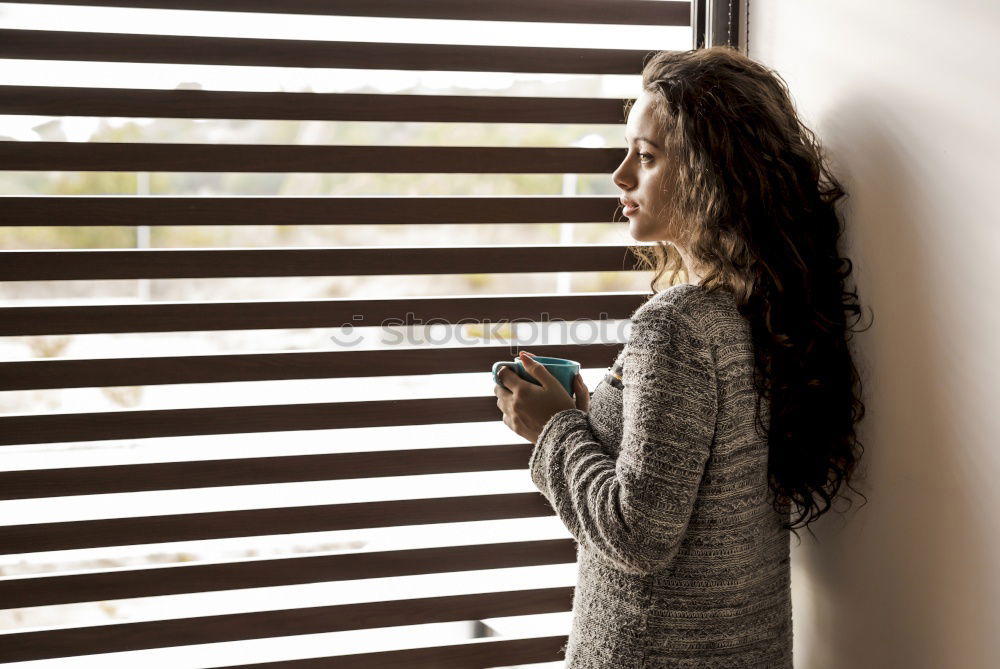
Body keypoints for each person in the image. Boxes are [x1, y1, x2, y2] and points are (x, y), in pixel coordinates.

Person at [494, 45, 869, 667]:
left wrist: (552, 430)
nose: (620, 176)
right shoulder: (768, 308)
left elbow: (637, 534)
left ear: (711, 171)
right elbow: (697, 473)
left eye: (645, 156)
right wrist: (599, 416)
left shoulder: (675, 327)